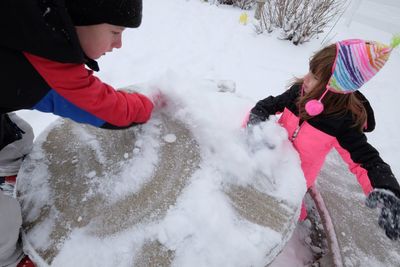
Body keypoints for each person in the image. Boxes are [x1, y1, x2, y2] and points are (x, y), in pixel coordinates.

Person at [0, 0, 153, 266]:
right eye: (115, 32)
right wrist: (151, 102)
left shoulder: (30, 22)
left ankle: (7, 167)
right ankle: (8, 259)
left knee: (15, 134)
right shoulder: (43, 49)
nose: (118, 45)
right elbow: (105, 109)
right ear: (82, 19)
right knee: (3, 218)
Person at [247, 38, 400, 240]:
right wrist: (256, 126)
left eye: (315, 77)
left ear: (335, 87)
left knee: (274, 218)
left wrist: (388, 192)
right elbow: (268, 105)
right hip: (272, 159)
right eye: (311, 71)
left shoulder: (342, 123)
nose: (306, 79)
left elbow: (367, 160)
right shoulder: (298, 93)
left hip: (295, 182)